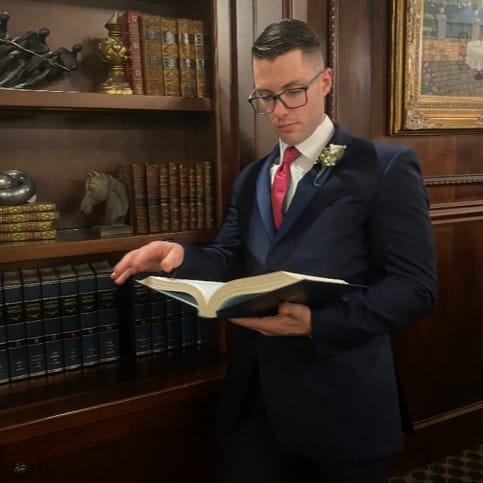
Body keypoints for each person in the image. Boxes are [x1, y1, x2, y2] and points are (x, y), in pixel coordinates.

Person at [111, 19, 437, 483]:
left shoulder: (383, 168)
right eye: (265, 96)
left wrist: (317, 324)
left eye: (293, 91)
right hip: (258, 400)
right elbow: (229, 258)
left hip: (345, 401)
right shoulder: (252, 178)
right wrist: (179, 254)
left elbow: (416, 289)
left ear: (324, 81)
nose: (279, 109)